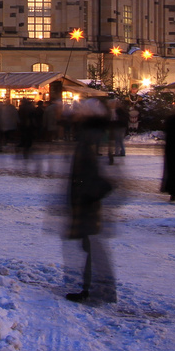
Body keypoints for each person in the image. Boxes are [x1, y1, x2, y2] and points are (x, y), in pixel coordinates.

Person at [63, 105, 115, 303]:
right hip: (86, 203)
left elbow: (87, 177)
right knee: (91, 246)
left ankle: (94, 289)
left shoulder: (86, 142)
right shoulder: (88, 142)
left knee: (92, 246)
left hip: (86, 204)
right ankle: (94, 288)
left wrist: (97, 189)